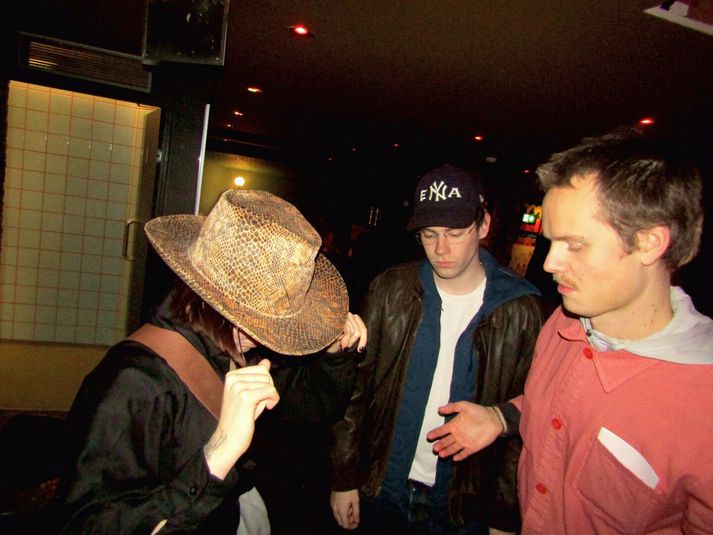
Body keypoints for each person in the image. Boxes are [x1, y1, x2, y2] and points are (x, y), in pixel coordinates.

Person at [427, 129, 713, 534]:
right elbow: (561, 408)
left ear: (649, 243)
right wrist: (499, 417)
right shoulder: (562, 325)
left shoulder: (703, 404)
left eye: (574, 245)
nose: (549, 263)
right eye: (552, 242)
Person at [57, 189, 367, 534]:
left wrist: (333, 357)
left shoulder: (240, 348)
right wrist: (216, 457)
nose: (278, 337)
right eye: (273, 323)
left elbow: (305, 409)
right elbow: (84, 524)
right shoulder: (134, 382)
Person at [329, 164, 544, 534]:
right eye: (429, 235)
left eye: (456, 234)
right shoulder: (391, 290)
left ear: (484, 225)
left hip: (465, 505)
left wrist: (504, 515)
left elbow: (523, 419)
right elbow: (355, 391)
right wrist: (344, 476)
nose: (441, 249)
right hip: (383, 487)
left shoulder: (521, 310)